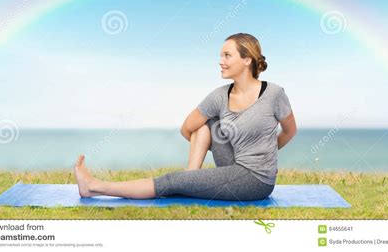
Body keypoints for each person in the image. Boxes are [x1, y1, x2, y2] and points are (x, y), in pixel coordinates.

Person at [74, 33, 297, 201]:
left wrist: (267, 155)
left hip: (256, 180)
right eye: (220, 55)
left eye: (227, 55)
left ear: (247, 60)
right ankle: (191, 177)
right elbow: (187, 128)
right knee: (205, 123)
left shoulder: (274, 94)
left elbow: (289, 131)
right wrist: (205, 149)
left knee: (171, 181)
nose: (221, 60)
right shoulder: (219, 96)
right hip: (232, 162)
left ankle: (94, 186)